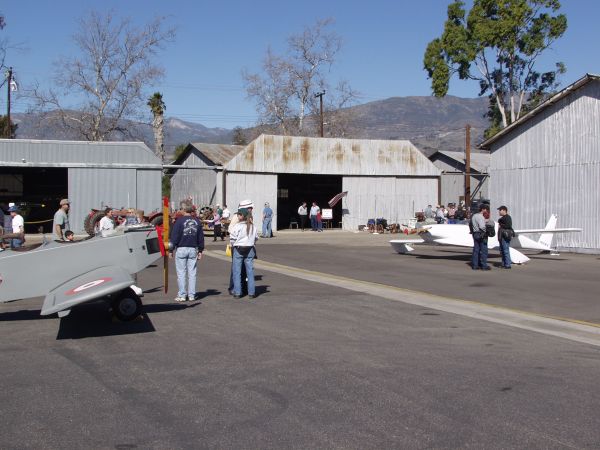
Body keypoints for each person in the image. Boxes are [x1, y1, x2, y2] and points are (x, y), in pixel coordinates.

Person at [169, 202, 205, 302]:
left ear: (184, 210)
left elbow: (174, 236)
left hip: (181, 248)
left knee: (181, 273)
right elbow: (200, 237)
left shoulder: (179, 221)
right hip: (193, 249)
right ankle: (192, 295)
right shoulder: (197, 221)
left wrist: (171, 250)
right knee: (192, 273)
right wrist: (200, 250)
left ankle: (182, 294)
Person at [230, 208, 259, 299]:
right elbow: (256, 238)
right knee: (250, 271)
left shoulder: (237, 226)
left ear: (242, 216)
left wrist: (233, 245)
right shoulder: (252, 226)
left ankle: (238, 292)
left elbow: (232, 239)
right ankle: (251, 292)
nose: (238, 216)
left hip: (238, 249)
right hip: (250, 249)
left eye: (239, 214)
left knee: (237, 271)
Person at [228, 199, 254, 295]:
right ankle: (233, 287)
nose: (252, 209)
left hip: (246, 245)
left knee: (244, 269)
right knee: (236, 268)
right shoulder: (236, 216)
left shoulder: (250, 216)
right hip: (238, 245)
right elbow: (230, 229)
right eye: (250, 207)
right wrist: (239, 236)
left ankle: (242, 288)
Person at [470, 204, 491, 270]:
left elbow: (470, 224)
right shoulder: (481, 216)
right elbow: (482, 227)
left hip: (475, 233)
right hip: (481, 234)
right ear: (483, 209)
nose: (486, 211)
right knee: (484, 250)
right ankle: (484, 265)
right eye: (486, 209)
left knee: (476, 250)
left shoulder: (474, 216)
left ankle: (475, 265)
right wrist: (487, 230)